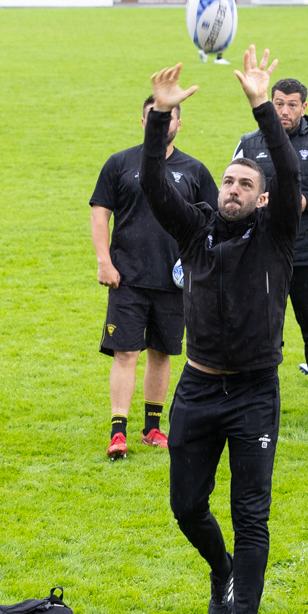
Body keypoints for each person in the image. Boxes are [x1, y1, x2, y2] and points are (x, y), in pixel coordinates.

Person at [140, 47, 300, 614]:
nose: (232, 190)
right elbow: (153, 183)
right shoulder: (195, 232)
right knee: (186, 506)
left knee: (251, 514)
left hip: (255, 392)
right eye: (229, 182)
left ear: (263, 199)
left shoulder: (278, 232)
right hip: (199, 390)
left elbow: (285, 168)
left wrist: (262, 105)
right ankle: (221, 570)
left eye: (244, 185)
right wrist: (159, 116)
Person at [90, 97, 218, 460]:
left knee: (163, 353)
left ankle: (152, 428)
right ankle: (118, 432)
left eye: (167, 119)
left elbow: (213, 223)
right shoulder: (120, 163)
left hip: (175, 282)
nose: (161, 124)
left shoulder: (194, 170)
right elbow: (101, 214)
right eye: (153, 118)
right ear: (143, 121)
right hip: (126, 277)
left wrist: (202, 268)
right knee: (126, 352)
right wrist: (104, 262)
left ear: (179, 123)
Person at [232, 77, 308, 428]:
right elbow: (231, 194)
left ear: (304, 107)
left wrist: (307, 202)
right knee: (264, 329)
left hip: (307, 255)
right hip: (261, 254)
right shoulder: (249, 144)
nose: (284, 111)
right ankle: (258, 401)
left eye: (292, 104)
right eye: (279, 103)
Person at [196, 0, 236, 66]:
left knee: (218, 30)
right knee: (223, 31)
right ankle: (218, 57)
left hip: (221, 7)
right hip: (222, 7)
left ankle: (205, 51)